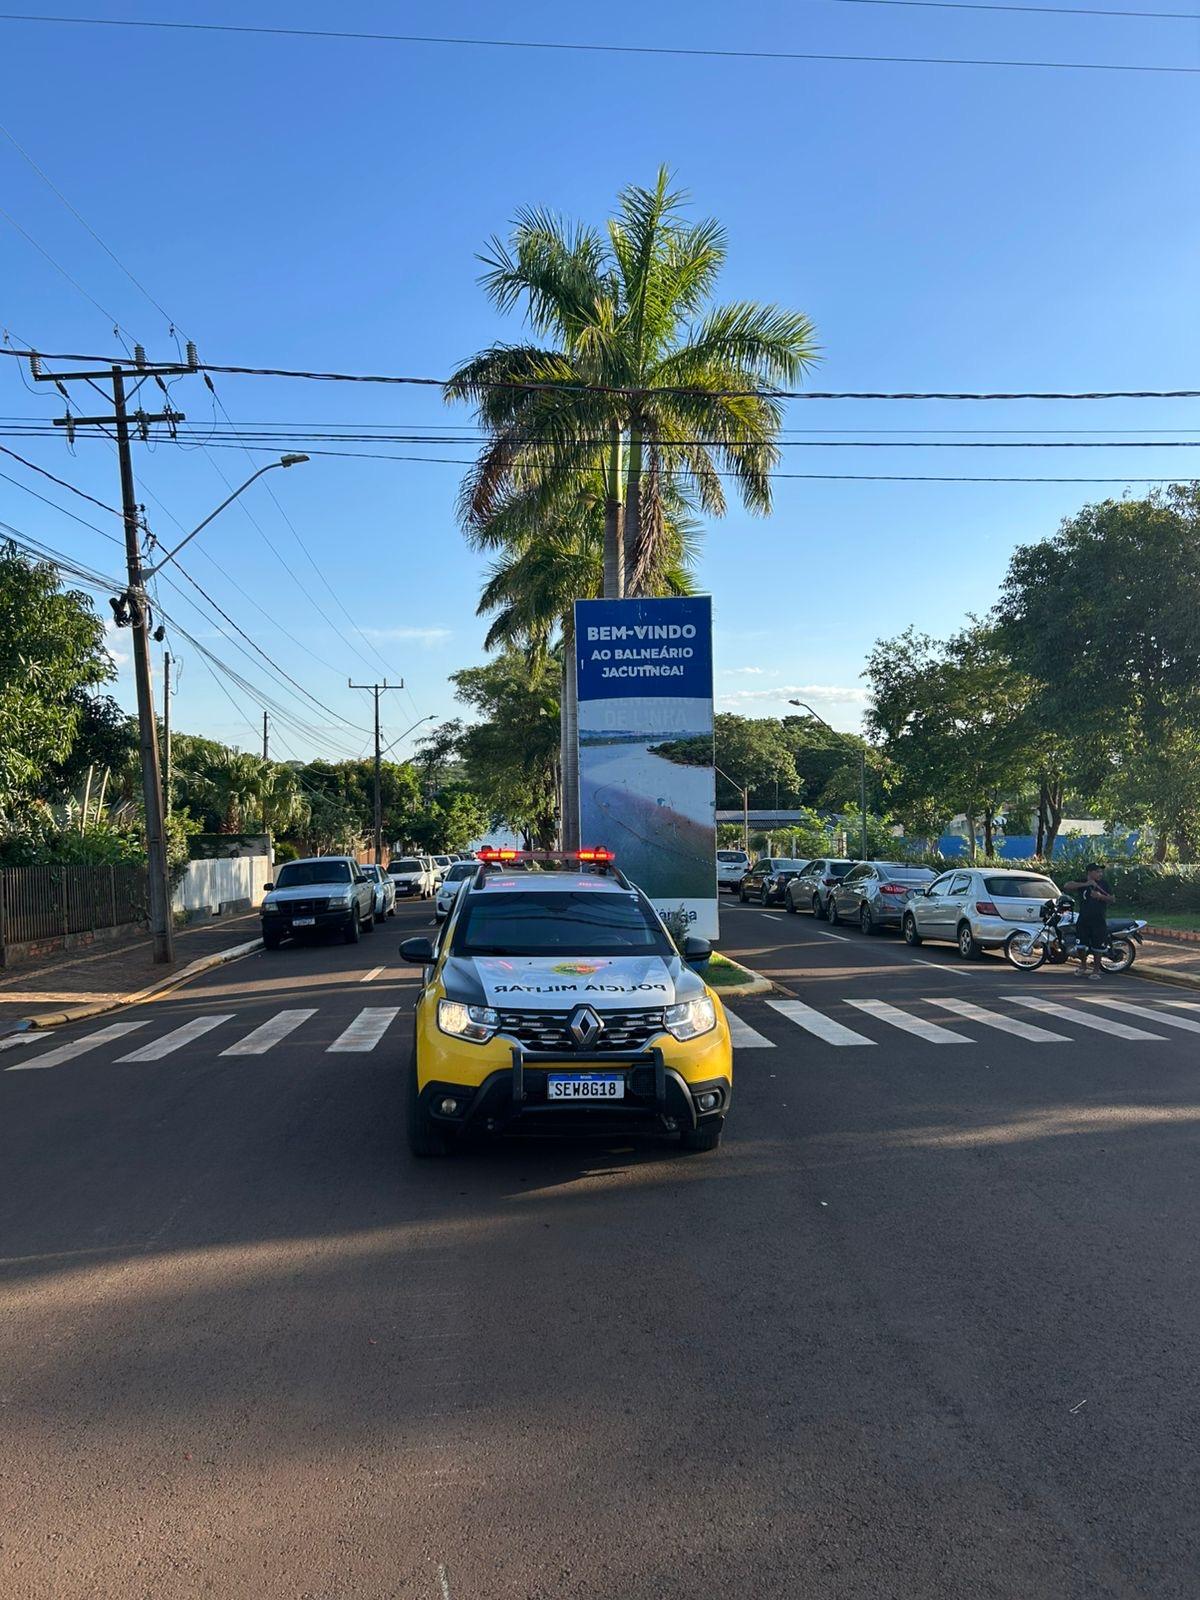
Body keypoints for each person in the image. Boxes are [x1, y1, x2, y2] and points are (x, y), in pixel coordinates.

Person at [1063, 862, 1114, 979]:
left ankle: (1096, 970)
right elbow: (1067, 885)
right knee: (1080, 945)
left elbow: (1112, 899)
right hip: (1084, 919)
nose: (1100, 874)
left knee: (1097, 947)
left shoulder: (1103, 884)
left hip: (1099, 919)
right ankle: (1083, 965)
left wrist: (1100, 896)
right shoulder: (1082, 882)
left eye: (1101, 872)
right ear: (1090, 872)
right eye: (1097, 872)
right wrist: (1085, 884)